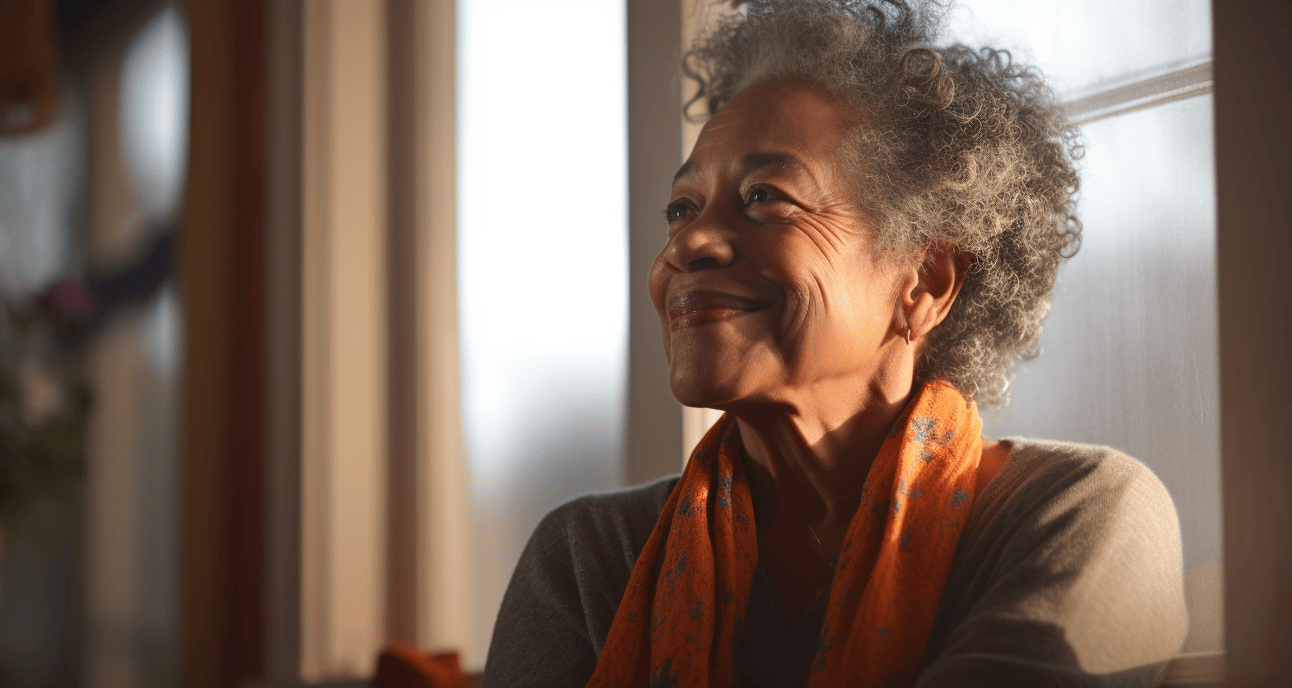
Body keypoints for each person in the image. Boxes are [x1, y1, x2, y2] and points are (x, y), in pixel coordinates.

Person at [482, 1, 1187, 686]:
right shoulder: (588, 557)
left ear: (925, 283)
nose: (688, 243)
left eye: (766, 196)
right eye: (681, 208)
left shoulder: (1075, 515)